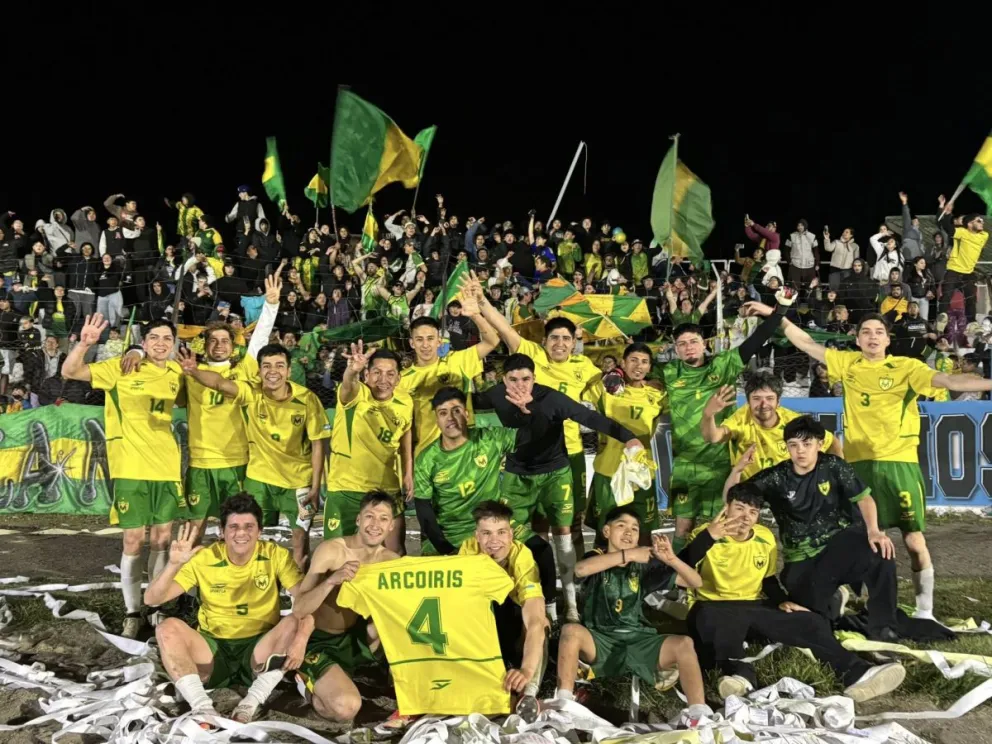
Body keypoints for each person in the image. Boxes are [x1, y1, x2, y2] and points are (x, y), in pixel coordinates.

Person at [749, 300, 992, 618]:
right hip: (857, 465)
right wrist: (774, 314)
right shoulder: (847, 363)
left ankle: (925, 611)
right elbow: (805, 342)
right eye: (866, 331)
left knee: (913, 538)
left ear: (888, 339)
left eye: (879, 332)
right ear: (857, 338)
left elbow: (951, 382)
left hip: (898, 464)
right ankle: (865, 600)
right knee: (858, 537)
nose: (872, 336)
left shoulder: (907, 368)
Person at [725, 416, 952, 643]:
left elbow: (864, 499)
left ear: (819, 444)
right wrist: (738, 470)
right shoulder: (776, 476)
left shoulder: (833, 466)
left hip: (837, 546)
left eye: (806, 444)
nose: (800, 451)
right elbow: (734, 498)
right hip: (801, 560)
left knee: (880, 550)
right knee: (813, 622)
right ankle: (840, 608)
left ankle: (884, 627)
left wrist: (874, 531)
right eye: (793, 445)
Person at [682, 494, 906, 703]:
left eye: (752, 511)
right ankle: (739, 678)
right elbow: (680, 567)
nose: (745, 516)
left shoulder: (764, 536)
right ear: (726, 509)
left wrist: (782, 600)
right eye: (739, 508)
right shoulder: (706, 533)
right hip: (712, 605)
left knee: (810, 620)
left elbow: (767, 579)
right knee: (721, 629)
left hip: (753, 604)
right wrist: (709, 536)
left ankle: (858, 674)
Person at [486, 354, 642, 623]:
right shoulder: (494, 397)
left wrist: (628, 437)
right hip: (517, 476)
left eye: (526, 379)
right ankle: (524, 604)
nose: (520, 385)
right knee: (510, 537)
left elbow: (589, 417)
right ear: (503, 380)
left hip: (555, 474)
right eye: (513, 380)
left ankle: (570, 605)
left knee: (564, 534)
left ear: (535, 379)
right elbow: (465, 409)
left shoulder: (551, 399)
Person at [62, 315, 185, 638]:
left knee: (162, 540)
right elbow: (70, 371)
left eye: (167, 338)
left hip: (167, 467)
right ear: (144, 342)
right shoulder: (123, 367)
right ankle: (132, 612)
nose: (161, 343)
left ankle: (156, 607)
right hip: (131, 468)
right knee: (132, 540)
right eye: (154, 337)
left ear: (173, 345)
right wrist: (85, 344)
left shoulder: (176, 373)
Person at [474, 279, 601, 586]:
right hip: (529, 456)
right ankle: (539, 584)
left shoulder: (585, 366)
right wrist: (482, 302)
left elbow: (605, 395)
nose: (560, 343)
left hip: (569, 456)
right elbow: (504, 328)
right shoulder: (532, 356)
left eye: (566, 338)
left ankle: (575, 585)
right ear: (545, 341)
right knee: (537, 527)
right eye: (554, 337)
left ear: (574, 342)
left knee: (571, 525)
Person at [146, 495, 310, 723]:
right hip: (213, 649)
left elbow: (308, 603)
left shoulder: (276, 555)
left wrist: (302, 638)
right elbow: (152, 599)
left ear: (260, 531)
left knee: (292, 621)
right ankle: (203, 708)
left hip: (258, 650)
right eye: (233, 527)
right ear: (221, 532)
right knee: (166, 628)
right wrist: (174, 564)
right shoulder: (204, 558)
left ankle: (250, 703)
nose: (241, 533)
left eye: (249, 526)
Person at [555, 506, 712, 727]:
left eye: (635, 529)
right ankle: (564, 705)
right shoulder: (597, 556)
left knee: (684, 643)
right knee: (570, 631)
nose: (629, 532)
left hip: (639, 639)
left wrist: (671, 559)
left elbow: (695, 582)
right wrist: (627, 555)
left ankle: (698, 712)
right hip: (601, 640)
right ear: (607, 531)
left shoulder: (643, 566)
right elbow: (580, 570)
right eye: (622, 526)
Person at [177, 343, 331, 570]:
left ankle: (297, 590)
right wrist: (195, 371)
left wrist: (316, 487)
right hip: (259, 479)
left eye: (279, 366)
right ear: (259, 371)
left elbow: (319, 444)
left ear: (289, 370)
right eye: (266, 366)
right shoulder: (251, 392)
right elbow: (220, 383)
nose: (273, 371)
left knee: (300, 543)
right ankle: (252, 582)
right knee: (250, 537)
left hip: (298, 482)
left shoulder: (307, 399)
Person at [150, 272, 279, 541]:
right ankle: (188, 568)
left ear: (233, 346)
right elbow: (157, 353)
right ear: (204, 344)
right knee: (192, 530)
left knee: (236, 528)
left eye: (225, 341)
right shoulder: (188, 371)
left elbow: (260, 337)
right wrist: (136, 350)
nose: (219, 345)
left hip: (236, 462)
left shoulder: (243, 369)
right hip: (200, 463)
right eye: (213, 340)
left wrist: (271, 305)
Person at [660, 296, 787, 554]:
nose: (688, 348)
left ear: (704, 344)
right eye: (682, 344)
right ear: (676, 348)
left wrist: (780, 310)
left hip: (721, 463)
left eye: (693, 341)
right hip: (685, 464)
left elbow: (758, 338)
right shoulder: (668, 372)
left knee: (725, 524)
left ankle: (725, 570)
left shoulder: (724, 365)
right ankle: (678, 574)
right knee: (682, 528)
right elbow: (636, 370)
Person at [292, 491, 399, 723]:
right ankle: (304, 685)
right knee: (345, 709)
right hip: (320, 640)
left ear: (391, 526)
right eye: (369, 516)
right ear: (358, 520)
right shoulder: (332, 551)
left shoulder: (392, 561)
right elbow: (299, 608)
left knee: (390, 622)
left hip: (356, 640)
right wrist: (331, 580)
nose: (375, 524)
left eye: (383, 519)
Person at [458, 501, 549, 722]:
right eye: (486, 533)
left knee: (542, 623)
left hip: (513, 621)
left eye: (501, 532)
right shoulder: (467, 552)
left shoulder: (522, 557)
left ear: (511, 534)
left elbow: (535, 620)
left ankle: (528, 693)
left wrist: (526, 670)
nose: (494, 541)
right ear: (477, 536)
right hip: (482, 626)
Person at [324, 343, 413, 554]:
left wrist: (408, 471)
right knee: (338, 554)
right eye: (377, 373)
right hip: (346, 488)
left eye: (390, 374)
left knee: (395, 553)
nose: (383, 379)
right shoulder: (356, 394)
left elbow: (406, 433)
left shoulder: (406, 401)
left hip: (386, 488)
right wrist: (352, 371)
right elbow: (348, 385)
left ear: (398, 378)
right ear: (366, 375)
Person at [399, 288, 498, 458]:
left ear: (439, 341)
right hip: (425, 457)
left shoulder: (456, 361)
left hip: (461, 455)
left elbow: (492, 341)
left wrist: (475, 315)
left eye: (430, 339)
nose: (425, 345)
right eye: (419, 339)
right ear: (412, 343)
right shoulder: (402, 379)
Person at [584, 343, 667, 538]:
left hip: (642, 472)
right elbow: (582, 390)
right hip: (609, 469)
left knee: (643, 534)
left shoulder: (657, 395)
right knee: (606, 534)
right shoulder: (605, 390)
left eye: (644, 362)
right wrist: (613, 374)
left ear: (650, 367)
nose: (639, 366)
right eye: (633, 360)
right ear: (623, 363)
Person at [701, 370, 842, 481]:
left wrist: (834, 476)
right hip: (752, 493)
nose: (763, 405)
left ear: (778, 402)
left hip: (789, 491)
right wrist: (708, 415)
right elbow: (713, 437)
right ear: (748, 402)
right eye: (757, 399)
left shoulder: (793, 421)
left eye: (769, 398)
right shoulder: (740, 419)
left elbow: (832, 442)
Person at [937, 205, 987, 321]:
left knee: (971, 298)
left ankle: (972, 322)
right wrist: (947, 214)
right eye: (979, 220)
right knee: (946, 295)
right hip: (954, 269)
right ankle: (942, 318)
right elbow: (947, 227)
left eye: (982, 220)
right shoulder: (961, 232)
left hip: (968, 272)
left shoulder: (984, 235)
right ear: (970, 224)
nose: (982, 222)